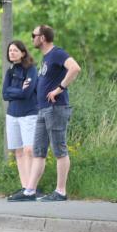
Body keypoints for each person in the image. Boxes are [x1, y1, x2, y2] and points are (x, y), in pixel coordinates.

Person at [27, 25, 81, 201]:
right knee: (39, 151)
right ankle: (30, 190)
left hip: (56, 108)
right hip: (43, 109)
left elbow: (75, 68)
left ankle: (61, 191)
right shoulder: (46, 58)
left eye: (33, 35)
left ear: (42, 38)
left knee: (59, 149)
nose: (31, 38)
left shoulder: (57, 53)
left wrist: (60, 88)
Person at [2, 40, 39, 202]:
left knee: (29, 150)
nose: (12, 53)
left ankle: (32, 188)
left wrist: (13, 91)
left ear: (23, 53)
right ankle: (24, 187)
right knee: (18, 151)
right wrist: (18, 90)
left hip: (29, 114)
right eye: (10, 51)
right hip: (12, 115)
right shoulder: (10, 71)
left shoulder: (31, 70)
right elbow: (4, 94)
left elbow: (28, 93)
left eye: (15, 50)